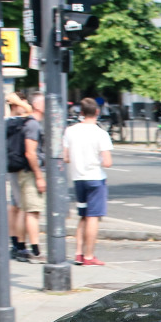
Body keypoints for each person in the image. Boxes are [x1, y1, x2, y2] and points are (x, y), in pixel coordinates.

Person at [64, 97, 114, 266]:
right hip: (95, 178)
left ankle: (78, 253)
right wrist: (95, 160)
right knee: (93, 217)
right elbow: (107, 162)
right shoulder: (100, 133)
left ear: (81, 113)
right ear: (97, 112)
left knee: (83, 216)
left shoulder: (70, 131)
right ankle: (89, 255)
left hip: (78, 178)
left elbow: (65, 156)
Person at [8, 93, 46, 262]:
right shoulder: (32, 124)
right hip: (29, 172)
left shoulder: (25, 122)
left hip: (22, 170)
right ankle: (34, 250)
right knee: (31, 211)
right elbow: (30, 153)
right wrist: (39, 176)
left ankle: (20, 246)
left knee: (22, 209)